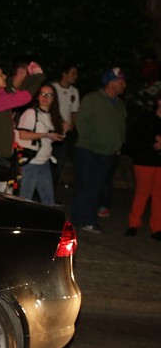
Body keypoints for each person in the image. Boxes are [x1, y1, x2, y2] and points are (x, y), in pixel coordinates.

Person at [0, 62, 45, 193]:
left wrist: (29, 76)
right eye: (0, 75)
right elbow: (24, 97)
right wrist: (38, 76)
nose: (5, 76)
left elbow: (16, 92)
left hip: (0, 161)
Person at [71, 67, 127, 233]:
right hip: (89, 151)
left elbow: (121, 127)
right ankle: (79, 220)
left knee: (97, 187)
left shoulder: (120, 104)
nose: (124, 85)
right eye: (121, 82)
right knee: (84, 186)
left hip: (108, 153)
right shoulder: (92, 99)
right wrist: (94, 142)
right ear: (111, 83)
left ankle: (88, 220)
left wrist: (118, 145)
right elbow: (82, 123)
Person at [16, 85, 64, 206]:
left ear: (54, 99)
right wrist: (47, 135)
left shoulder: (52, 116)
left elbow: (51, 137)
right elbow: (23, 135)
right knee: (25, 200)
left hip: (44, 161)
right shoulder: (31, 113)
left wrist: (61, 133)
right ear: (37, 96)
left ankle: (48, 224)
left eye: (49, 95)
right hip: (30, 162)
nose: (45, 97)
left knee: (48, 200)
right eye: (42, 94)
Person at [125, 92, 161, 239]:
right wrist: (154, 142)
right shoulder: (147, 117)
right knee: (142, 193)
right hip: (144, 161)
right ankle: (133, 224)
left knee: (159, 196)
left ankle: (157, 228)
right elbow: (137, 137)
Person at [51, 63, 80, 188]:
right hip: (50, 130)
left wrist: (72, 126)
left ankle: (50, 193)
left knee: (59, 163)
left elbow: (74, 111)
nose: (76, 76)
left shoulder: (74, 91)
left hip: (65, 133)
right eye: (73, 73)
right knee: (45, 161)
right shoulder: (52, 88)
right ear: (64, 74)